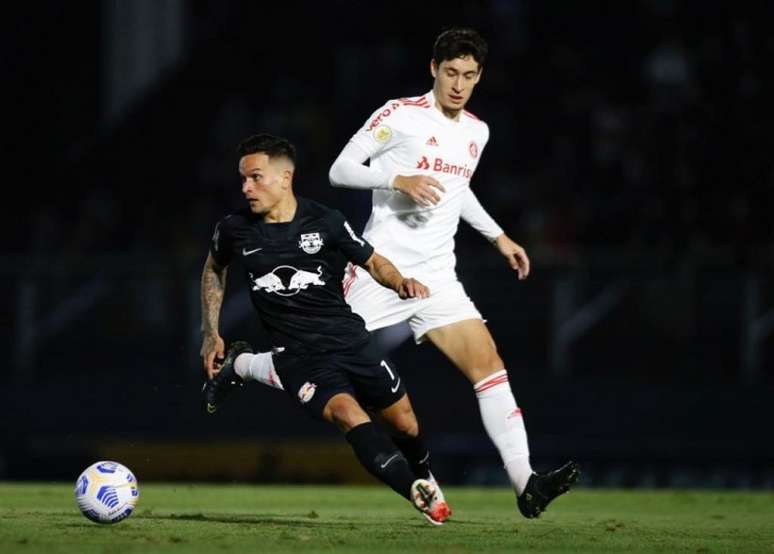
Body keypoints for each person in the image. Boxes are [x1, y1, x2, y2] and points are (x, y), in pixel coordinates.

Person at [233, 28, 579, 518]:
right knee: (311, 361)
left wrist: (498, 237)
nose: (459, 84)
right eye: (451, 72)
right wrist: (397, 178)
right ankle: (245, 365)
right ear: (433, 69)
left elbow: (458, 191)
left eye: (469, 75)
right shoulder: (400, 115)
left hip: (438, 275)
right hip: (382, 270)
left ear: (479, 78)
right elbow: (341, 170)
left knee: (489, 365)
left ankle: (526, 482)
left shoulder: (477, 132)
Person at [200, 133, 450, 525]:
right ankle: (417, 494)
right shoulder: (234, 229)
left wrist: (399, 281)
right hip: (299, 357)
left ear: (286, 178)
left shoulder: (326, 221)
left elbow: (372, 260)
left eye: (255, 177)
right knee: (350, 416)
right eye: (243, 179)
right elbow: (214, 267)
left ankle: (423, 476)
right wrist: (209, 331)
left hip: (349, 340)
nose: (246, 187)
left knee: (405, 423)